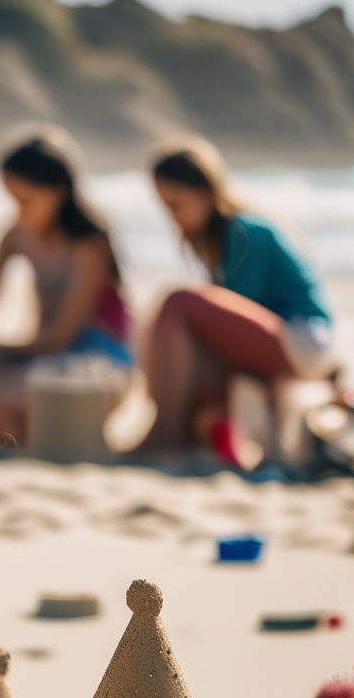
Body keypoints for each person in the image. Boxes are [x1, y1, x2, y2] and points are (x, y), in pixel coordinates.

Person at [0, 126, 131, 447]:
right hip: (43, 352)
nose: (17, 210)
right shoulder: (16, 235)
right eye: (12, 199)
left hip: (94, 360)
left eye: (26, 200)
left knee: (14, 424)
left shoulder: (88, 246)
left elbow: (62, 336)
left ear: (59, 191)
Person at [138, 136, 334, 457]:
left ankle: (164, 433)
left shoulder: (244, 231)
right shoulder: (217, 237)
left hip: (303, 339)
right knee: (168, 339)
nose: (171, 217)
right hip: (283, 340)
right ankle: (192, 431)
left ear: (204, 193)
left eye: (175, 205)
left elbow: (241, 308)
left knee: (178, 303)